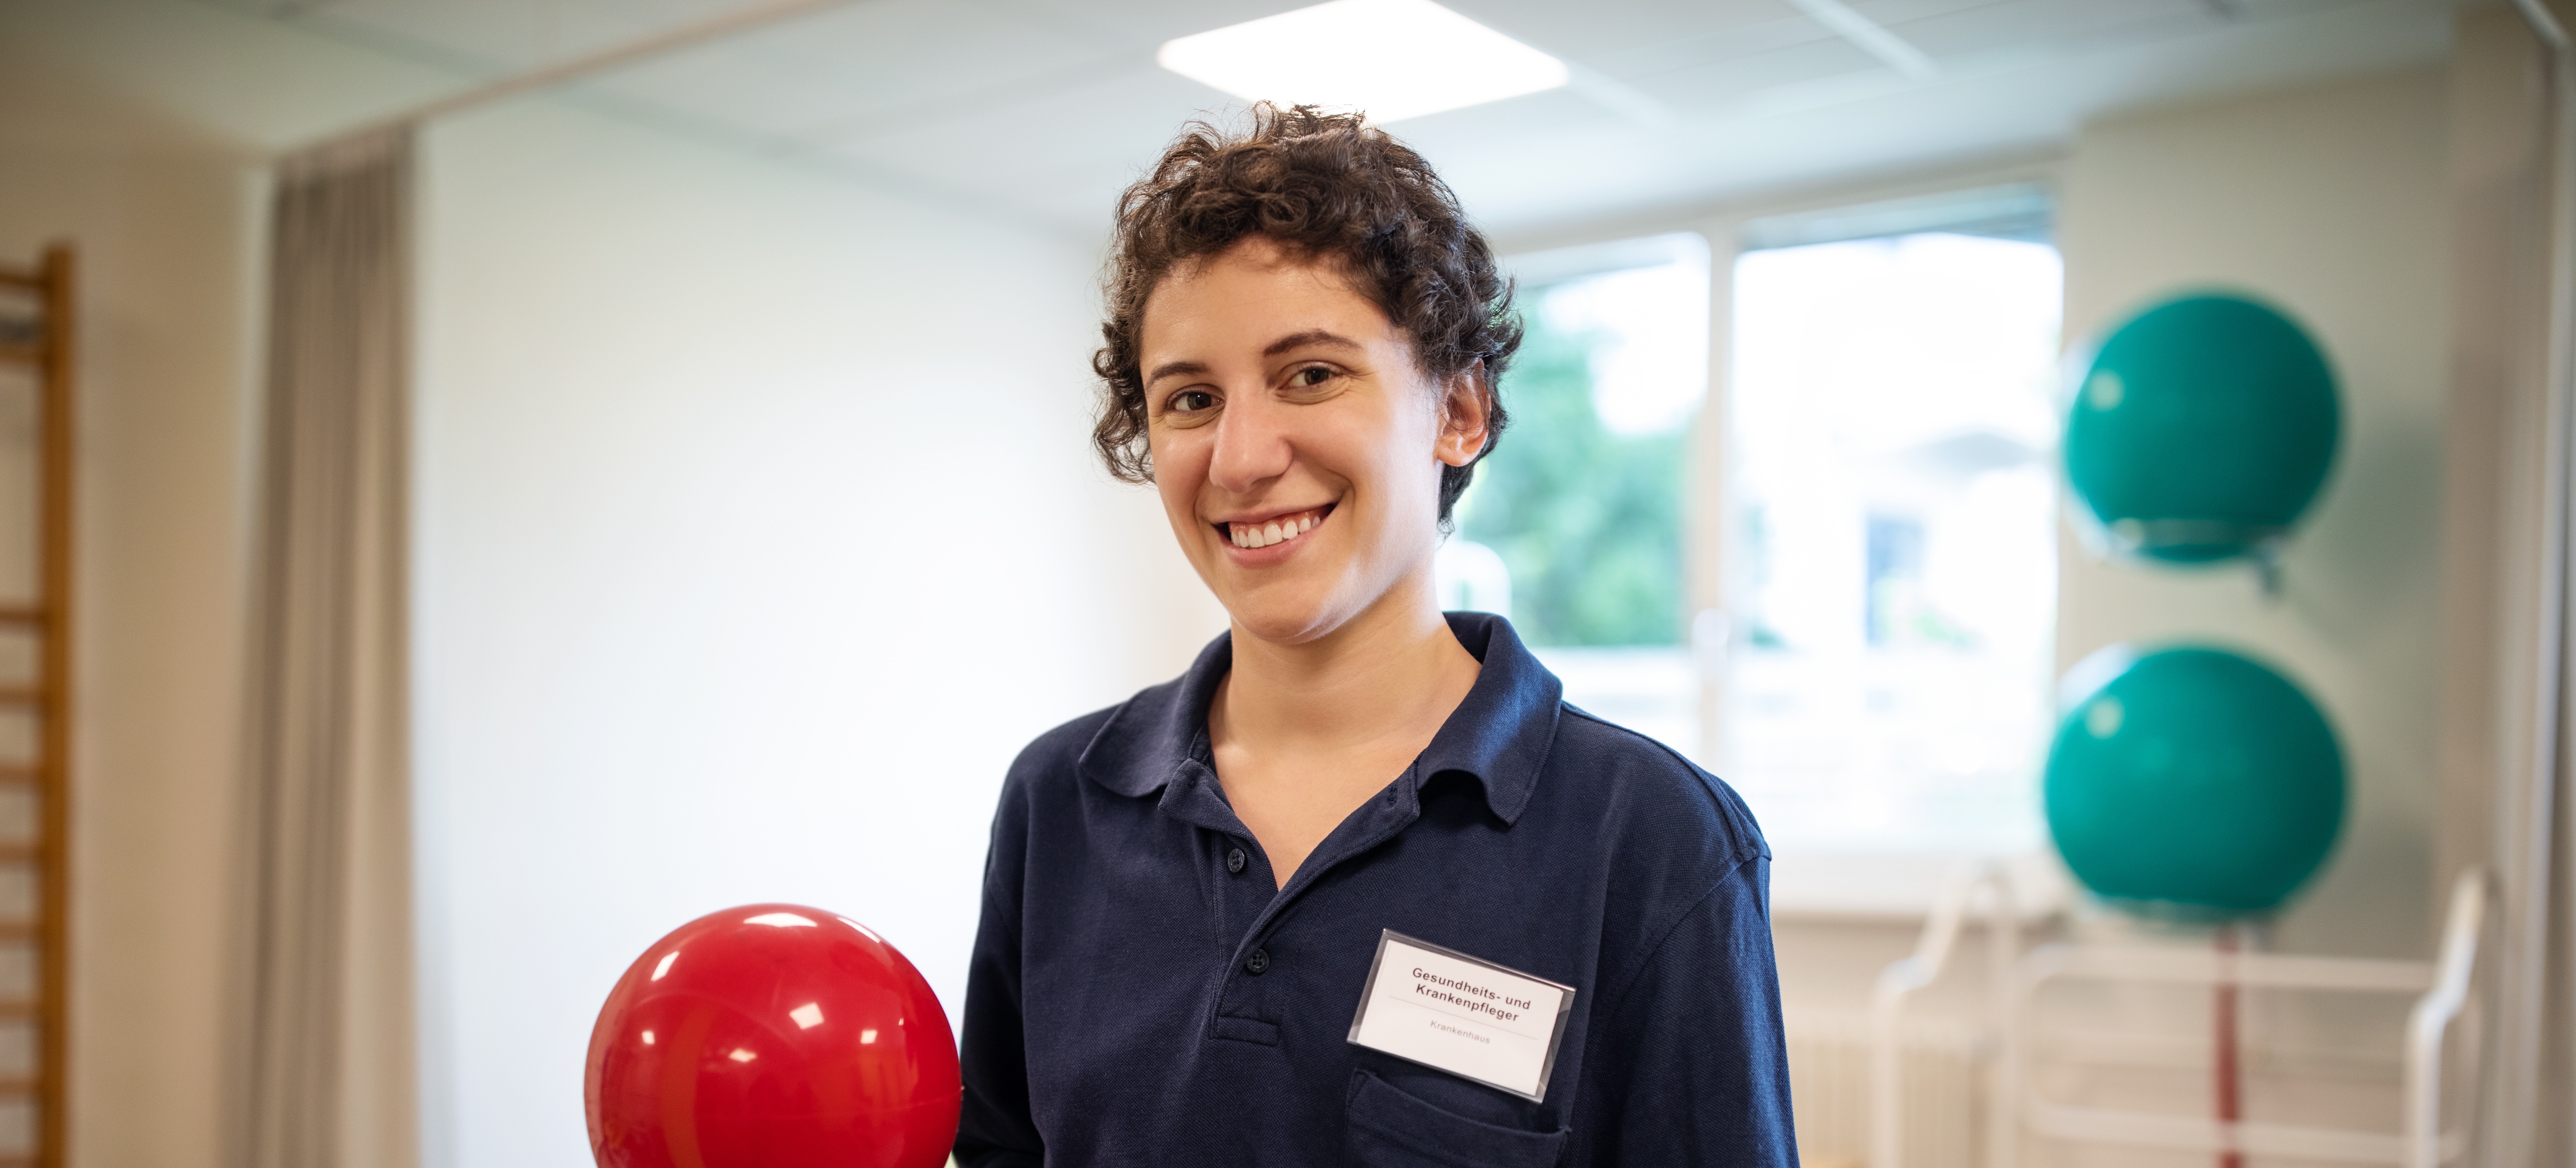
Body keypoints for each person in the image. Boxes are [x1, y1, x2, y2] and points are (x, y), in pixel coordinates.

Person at [954, 104, 1795, 1168]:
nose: (1242, 458)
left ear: (1458, 412)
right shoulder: (1060, 801)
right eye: (1193, 398)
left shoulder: (1654, 840)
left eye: (1311, 375)